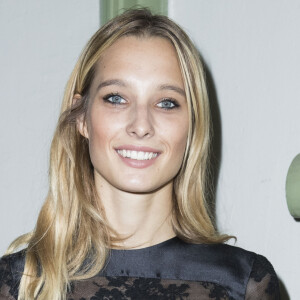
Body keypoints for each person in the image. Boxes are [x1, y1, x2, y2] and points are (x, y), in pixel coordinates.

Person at [0, 8, 280, 300]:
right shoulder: (19, 283)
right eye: (116, 99)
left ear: (193, 126)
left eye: (167, 103)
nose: (141, 125)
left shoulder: (243, 283)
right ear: (82, 118)